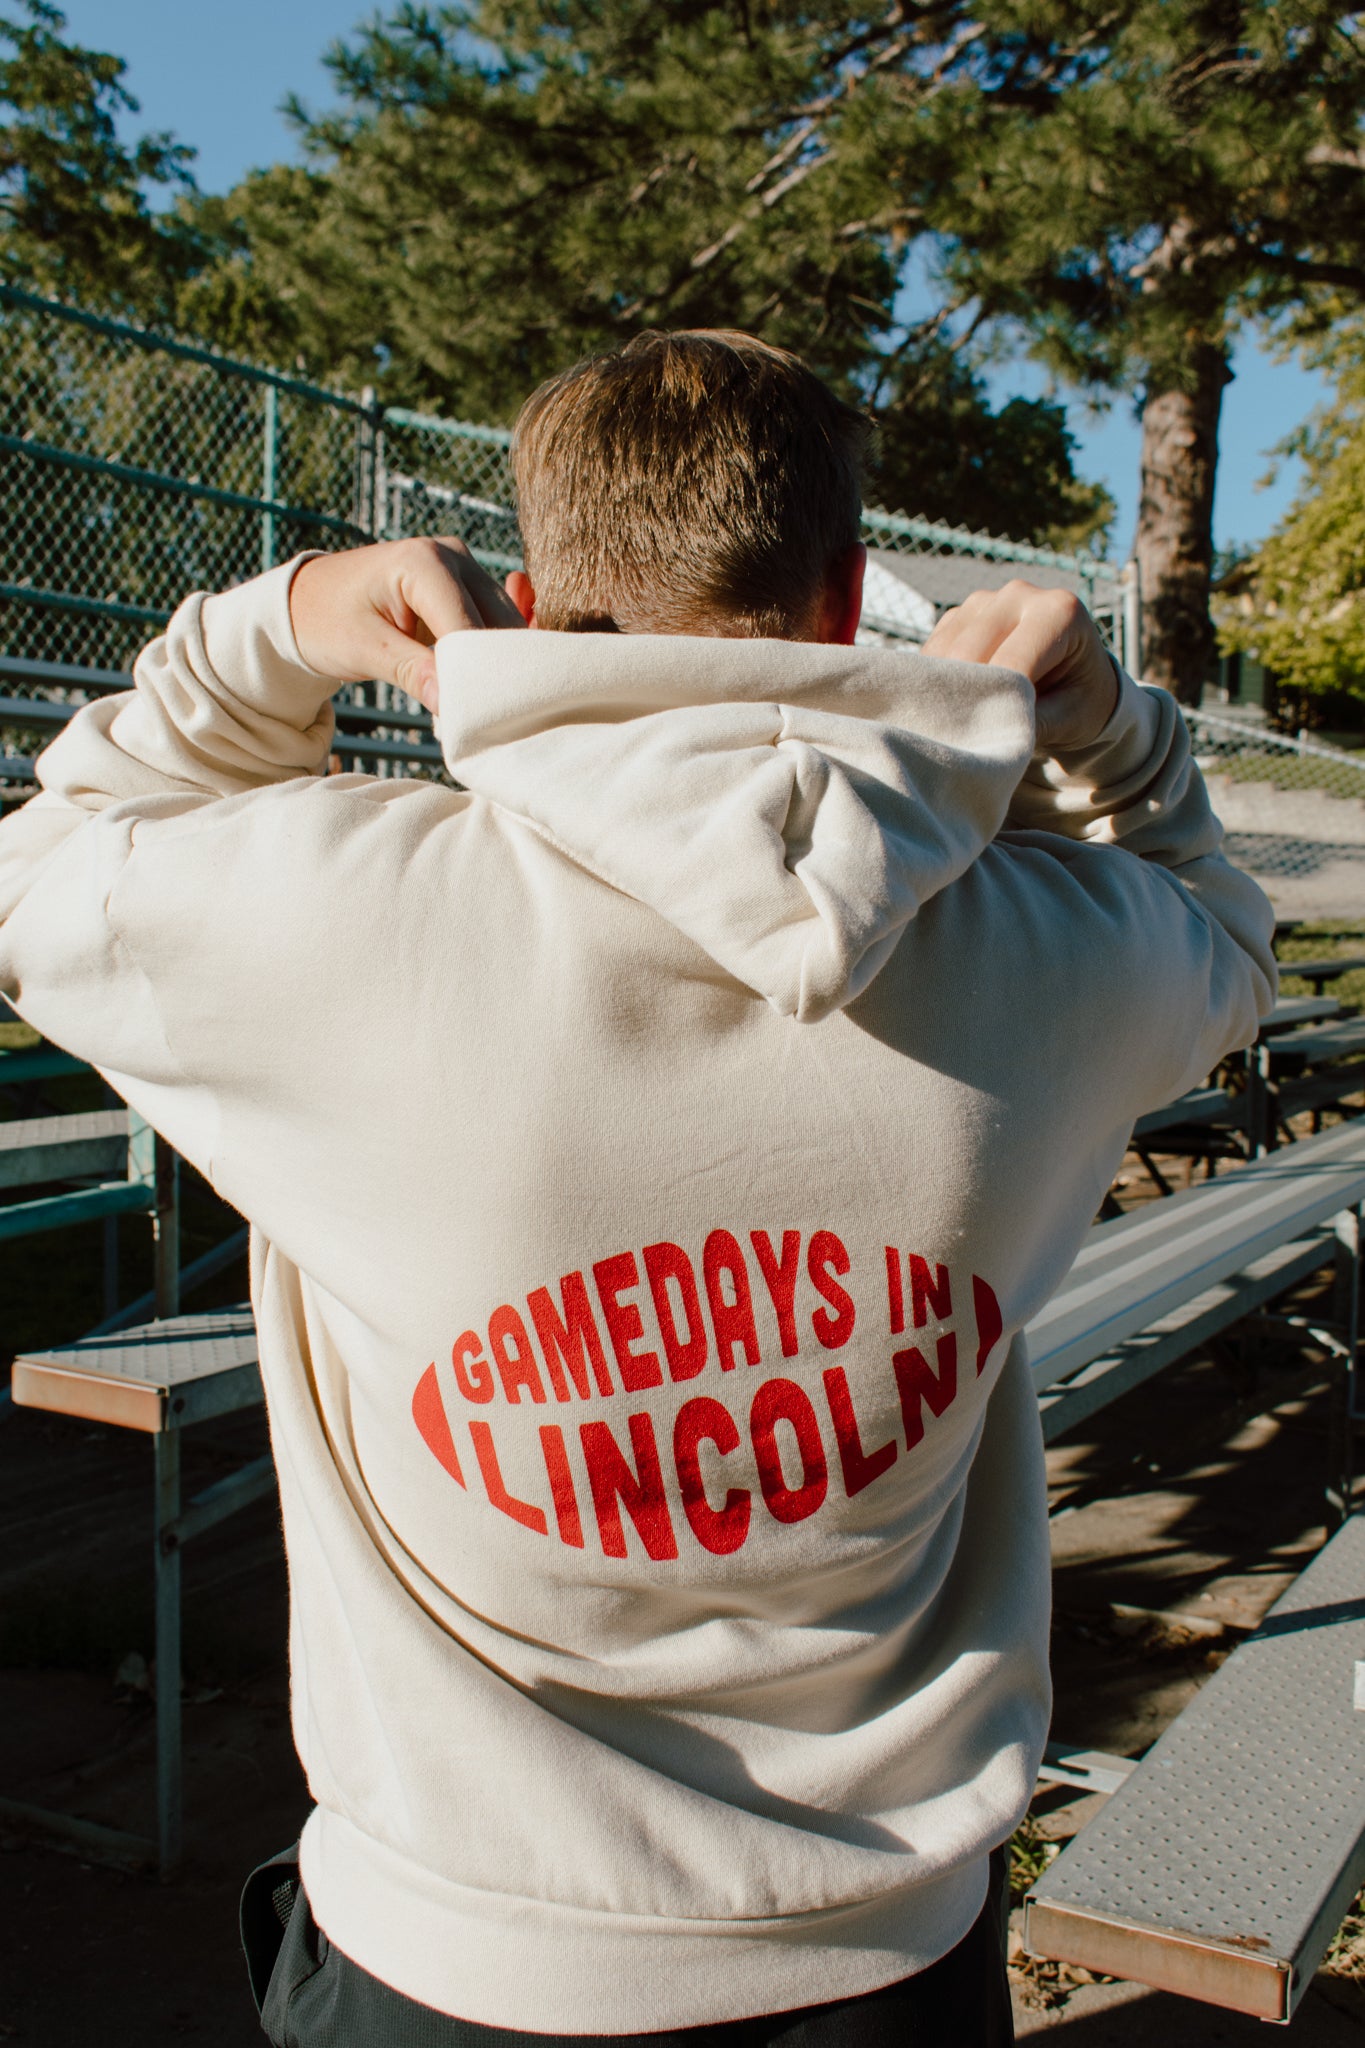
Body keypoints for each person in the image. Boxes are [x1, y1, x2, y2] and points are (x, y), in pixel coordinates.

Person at [0, 330, 1275, 2048]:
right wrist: (1106, 729)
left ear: (526, 595)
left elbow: (47, 857)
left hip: (461, 1956)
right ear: (844, 601)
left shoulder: (320, 912)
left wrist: (279, 625)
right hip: (895, 1957)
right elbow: (1217, 923)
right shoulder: (1047, 942)